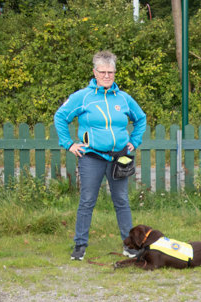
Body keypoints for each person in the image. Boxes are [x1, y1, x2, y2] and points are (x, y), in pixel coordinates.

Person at [54, 50, 146, 261]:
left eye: (110, 72)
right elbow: (60, 117)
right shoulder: (83, 97)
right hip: (91, 158)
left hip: (119, 158)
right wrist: (69, 144)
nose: (106, 76)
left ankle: (130, 246)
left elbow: (141, 119)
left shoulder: (123, 98)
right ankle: (80, 246)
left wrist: (134, 141)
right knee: (87, 201)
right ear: (94, 72)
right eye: (102, 72)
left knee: (121, 201)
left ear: (115, 73)